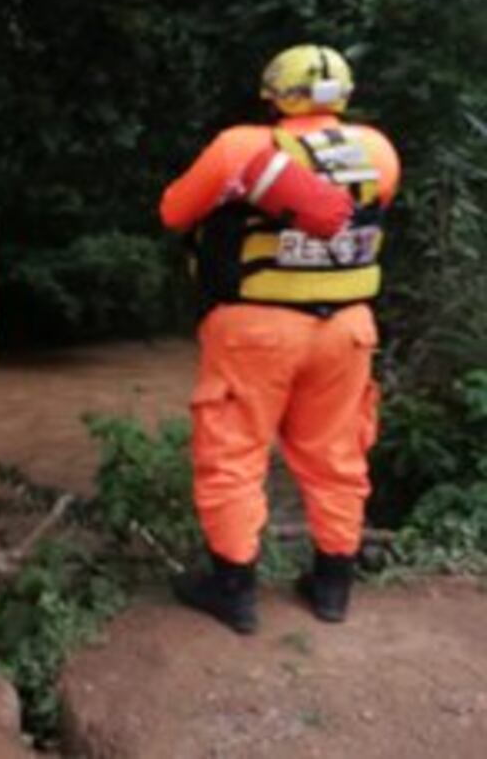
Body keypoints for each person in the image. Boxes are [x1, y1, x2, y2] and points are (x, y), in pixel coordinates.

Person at [159, 44, 401, 634]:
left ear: (275, 94)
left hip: (254, 327)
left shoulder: (242, 147)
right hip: (346, 326)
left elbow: (173, 212)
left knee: (234, 454)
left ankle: (234, 588)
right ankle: (332, 585)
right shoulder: (378, 151)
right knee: (337, 455)